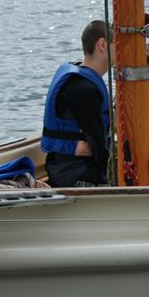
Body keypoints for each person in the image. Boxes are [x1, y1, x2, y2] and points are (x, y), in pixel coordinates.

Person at [41, 20, 111, 187]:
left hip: (70, 167)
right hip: (74, 173)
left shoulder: (83, 80)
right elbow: (97, 144)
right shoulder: (83, 89)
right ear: (102, 45)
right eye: (119, 45)